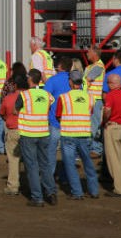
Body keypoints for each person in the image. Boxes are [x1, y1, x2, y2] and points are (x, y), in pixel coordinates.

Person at [56, 70, 99, 200]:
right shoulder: (90, 98)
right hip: (84, 134)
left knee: (70, 164)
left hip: (68, 134)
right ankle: (94, 190)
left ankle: (77, 192)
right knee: (88, 163)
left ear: (70, 81)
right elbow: (90, 113)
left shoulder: (63, 97)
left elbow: (58, 115)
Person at [16, 69, 56, 207]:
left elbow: (16, 109)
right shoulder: (47, 95)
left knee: (32, 166)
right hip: (44, 132)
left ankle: (37, 197)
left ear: (29, 79)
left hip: (29, 133)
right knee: (44, 164)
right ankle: (51, 192)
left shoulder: (24, 95)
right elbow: (51, 102)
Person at [43, 55, 73, 184]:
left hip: (55, 121)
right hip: (70, 122)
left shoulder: (52, 80)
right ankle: (67, 178)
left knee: (51, 152)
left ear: (59, 67)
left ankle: (49, 178)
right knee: (68, 153)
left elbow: (45, 99)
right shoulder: (75, 81)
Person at [0, 75, 27, 196]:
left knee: (13, 160)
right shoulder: (30, 97)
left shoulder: (9, 98)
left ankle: (13, 186)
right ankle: (32, 184)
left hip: (13, 130)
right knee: (30, 159)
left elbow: (2, 113)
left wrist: (9, 119)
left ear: (15, 86)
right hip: (28, 131)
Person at [83, 46, 106, 155]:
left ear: (94, 54)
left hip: (95, 100)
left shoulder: (98, 66)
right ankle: (94, 149)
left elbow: (87, 79)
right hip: (90, 100)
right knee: (90, 126)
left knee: (93, 126)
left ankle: (96, 149)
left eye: (89, 52)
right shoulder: (91, 66)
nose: (87, 53)